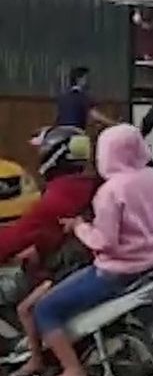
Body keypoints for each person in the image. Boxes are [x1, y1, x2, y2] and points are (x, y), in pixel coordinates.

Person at [22, 124, 153, 376]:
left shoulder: (111, 191)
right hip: (151, 267)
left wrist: (78, 227)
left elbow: (104, 242)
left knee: (44, 310)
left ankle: (73, 372)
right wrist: (150, 221)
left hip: (114, 273)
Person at [0, 128, 98, 350]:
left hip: (61, 269)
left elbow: (17, 236)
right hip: (80, 259)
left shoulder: (56, 198)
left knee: (8, 290)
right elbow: (47, 234)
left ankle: (30, 350)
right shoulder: (90, 185)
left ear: (52, 155)